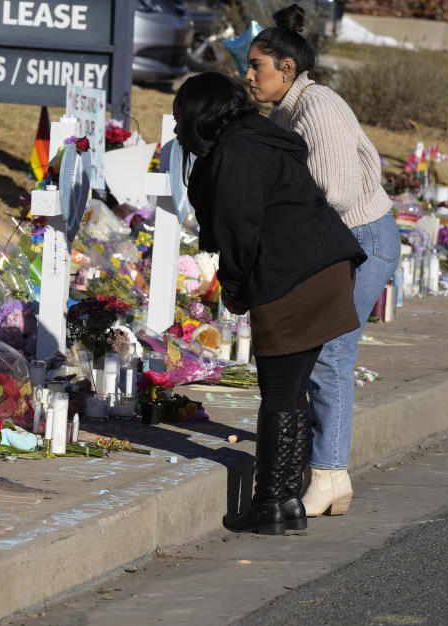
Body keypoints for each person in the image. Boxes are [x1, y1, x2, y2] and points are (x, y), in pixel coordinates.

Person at [175, 72, 366, 535]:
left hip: (290, 278)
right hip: (326, 271)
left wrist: (236, 289)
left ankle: (269, 505)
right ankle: (288, 504)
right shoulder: (262, 136)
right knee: (293, 391)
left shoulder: (236, 152)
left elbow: (241, 232)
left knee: (279, 394)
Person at [246, 4, 401, 517]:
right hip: (337, 241)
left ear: (285, 69)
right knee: (320, 353)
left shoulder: (318, 108)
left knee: (331, 353)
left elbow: (334, 191)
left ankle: (331, 475)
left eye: (256, 67)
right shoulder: (287, 109)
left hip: (362, 239)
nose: (248, 76)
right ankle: (327, 470)